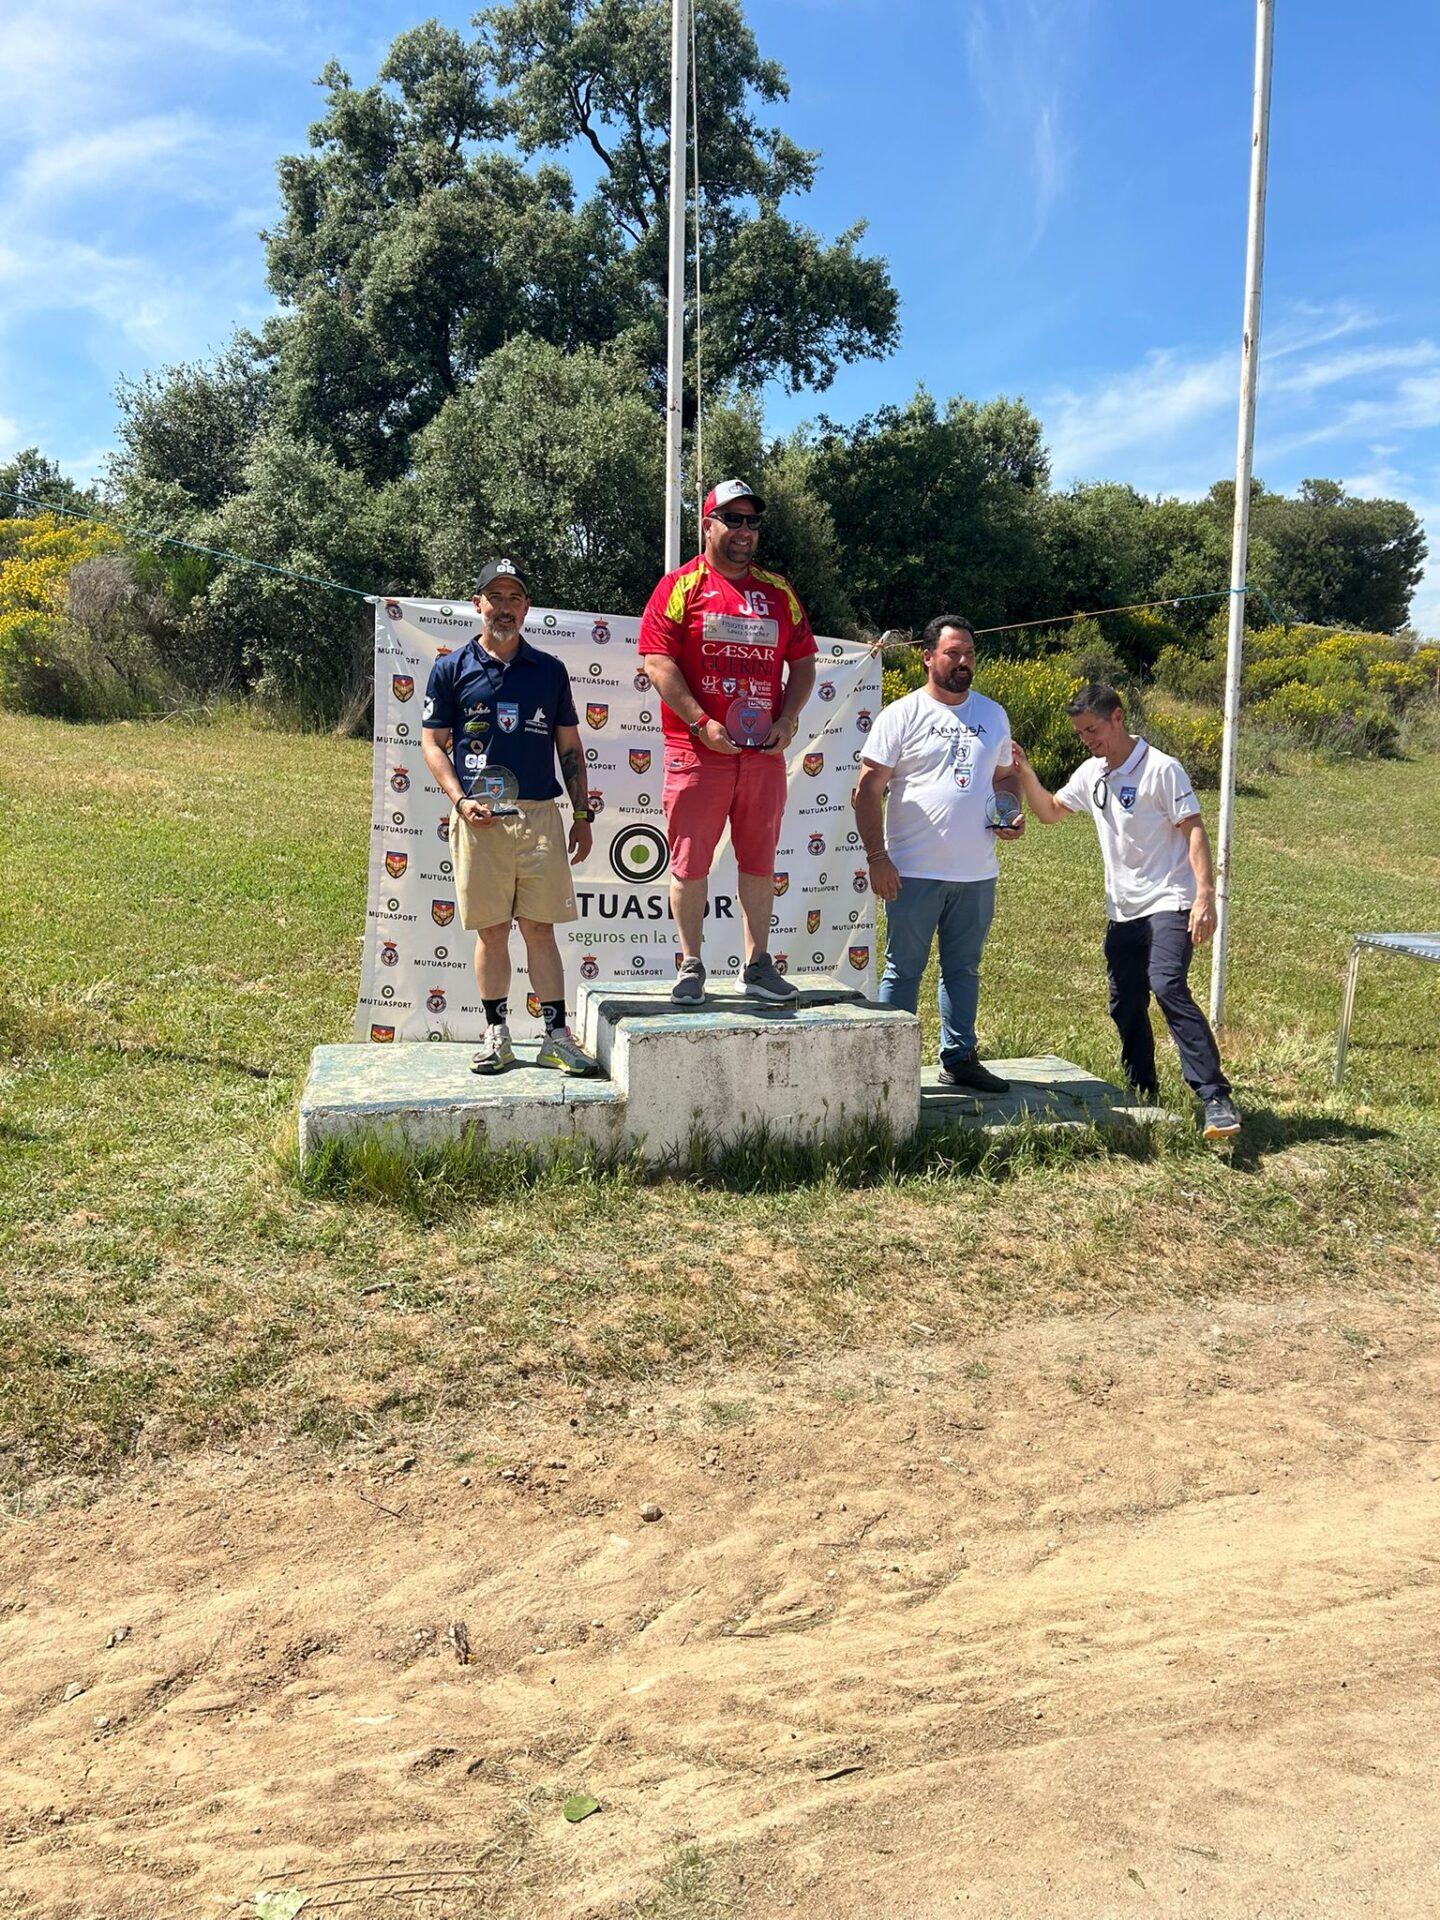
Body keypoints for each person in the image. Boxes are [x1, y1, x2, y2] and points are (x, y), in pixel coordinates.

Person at [1008, 681, 1241, 1139]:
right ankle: (1142, 1089)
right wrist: (1025, 774)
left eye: (1092, 729)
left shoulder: (1161, 769)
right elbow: (1052, 811)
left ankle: (1215, 1098)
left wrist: (1205, 896)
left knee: (1166, 984)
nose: (1088, 740)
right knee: (1125, 1001)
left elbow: (1193, 828)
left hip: (1169, 900)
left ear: (1118, 717)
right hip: (1123, 909)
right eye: (1080, 734)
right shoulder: (1093, 772)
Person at [639, 479, 817, 1005]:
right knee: (690, 864)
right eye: (732, 520)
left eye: (753, 523)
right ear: (707, 523)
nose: (744, 532)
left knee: (759, 861)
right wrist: (700, 724)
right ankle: (691, 964)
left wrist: (787, 718)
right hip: (699, 752)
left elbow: (803, 663)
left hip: (762, 755)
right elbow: (657, 662)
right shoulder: (679, 586)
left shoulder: (778, 591)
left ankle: (757, 965)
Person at [420, 558, 598, 1076]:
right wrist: (458, 799)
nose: (504, 607)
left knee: (540, 930)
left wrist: (582, 814)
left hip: (541, 814)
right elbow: (433, 745)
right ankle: (496, 1033)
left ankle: (555, 1036)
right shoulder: (450, 668)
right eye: (494, 597)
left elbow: (570, 747)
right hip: (480, 818)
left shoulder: (549, 670)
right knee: (493, 931)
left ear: (526, 608)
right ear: (477, 604)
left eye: (514, 598)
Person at [853, 615, 1024, 1091]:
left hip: (976, 872)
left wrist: (1008, 812)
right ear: (927, 656)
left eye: (969, 652)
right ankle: (887, 1067)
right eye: (952, 653)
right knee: (903, 970)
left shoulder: (992, 714)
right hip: (912, 871)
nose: (963, 661)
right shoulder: (901, 715)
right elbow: (866, 792)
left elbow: (1005, 777)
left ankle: (959, 1057)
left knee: (963, 968)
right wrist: (877, 858)